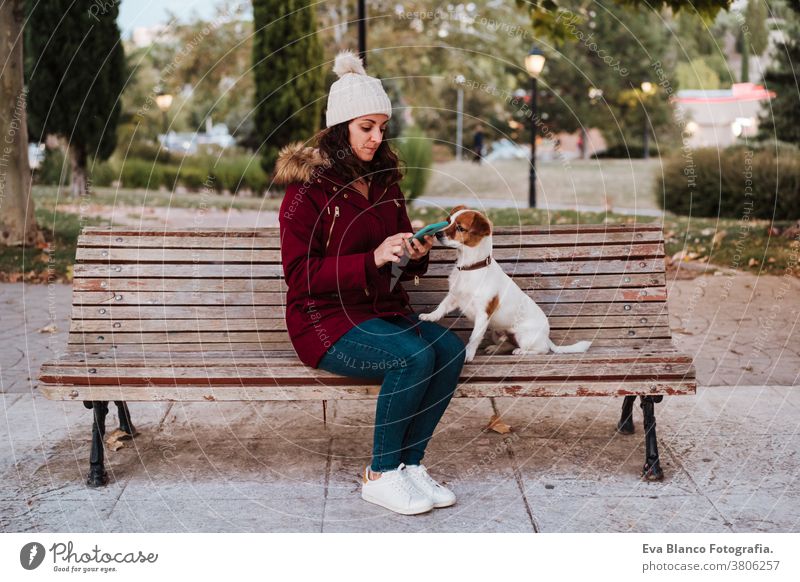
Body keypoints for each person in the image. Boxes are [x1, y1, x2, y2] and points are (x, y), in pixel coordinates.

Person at [274, 50, 467, 516]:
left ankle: (411, 466)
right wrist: (373, 256)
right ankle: (380, 474)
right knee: (413, 357)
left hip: (381, 312)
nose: (377, 137)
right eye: (367, 127)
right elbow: (300, 278)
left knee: (450, 350)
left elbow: (396, 258)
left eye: (382, 127)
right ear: (341, 128)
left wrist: (413, 256)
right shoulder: (306, 192)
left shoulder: (385, 183)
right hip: (324, 322)